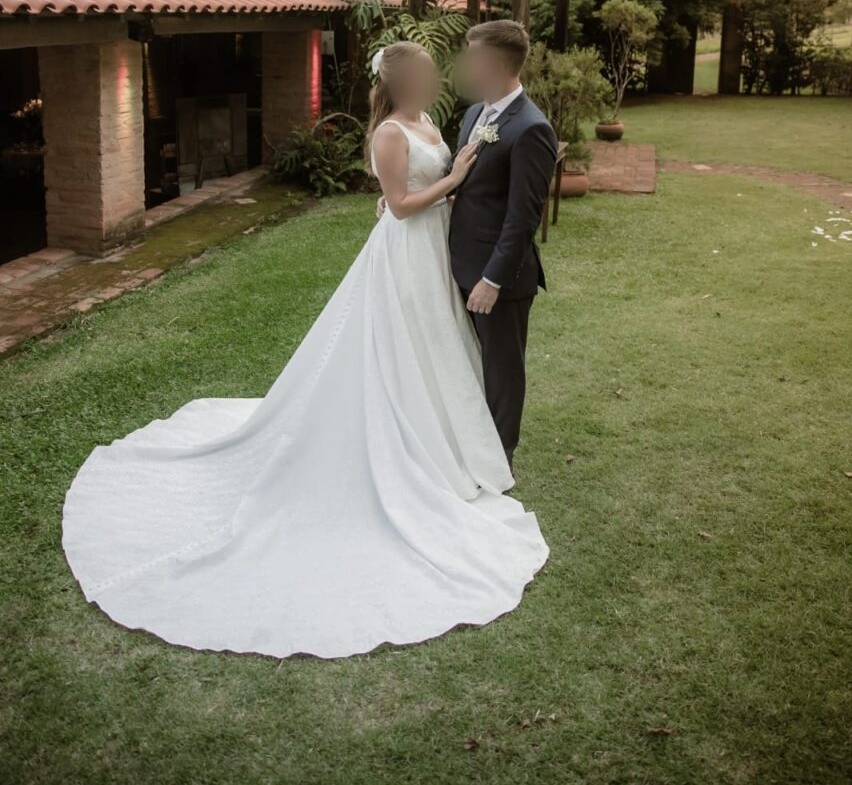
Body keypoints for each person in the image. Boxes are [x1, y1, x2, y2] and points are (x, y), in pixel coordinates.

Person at [62, 40, 548, 661]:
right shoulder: (390, 132)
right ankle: (404, 441)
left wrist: (443, 191)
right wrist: (447, 182)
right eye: (427, 73)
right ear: (402, 81)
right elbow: (401, 208)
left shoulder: (433, 121)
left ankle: (450, 441)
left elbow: (434, 193)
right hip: (406, 255)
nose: (440, 80)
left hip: (435, 252)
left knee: (438, 347)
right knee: (401, 348)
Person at [450, 20, 558, 468]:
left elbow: (522, 218)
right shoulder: (475, 114)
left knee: (501, 371)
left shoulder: (532, 129)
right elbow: (462, 184)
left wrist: (492, 280)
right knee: (466, 362)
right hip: (460, 264)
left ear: (493, 64)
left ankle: (499, 461)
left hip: (498, 281)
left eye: (472, 56)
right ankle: (470, 447)